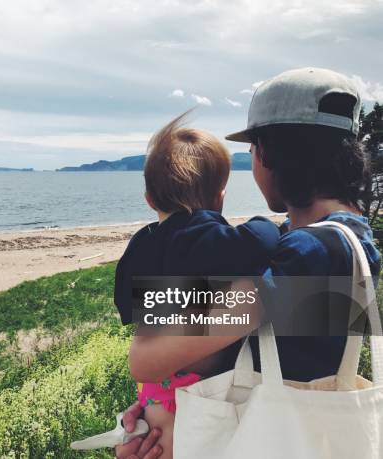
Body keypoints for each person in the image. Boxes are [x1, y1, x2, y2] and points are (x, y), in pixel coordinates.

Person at [116, 67, 381, 459]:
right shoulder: (345, 241)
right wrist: (172, 410)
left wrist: (161, 404)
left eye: (252, 149)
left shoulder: (313, 255)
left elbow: (146, 358)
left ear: (270, 153)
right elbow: (250, 348)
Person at [107, 117, 280, 458]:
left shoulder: (140, 245)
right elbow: (263, 239)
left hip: (155, 395)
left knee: (158, 443)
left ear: (148, 199)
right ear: (220, 196)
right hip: (207, 390)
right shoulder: (214, 238)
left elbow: (127, 305)